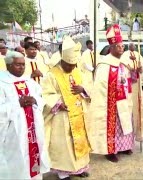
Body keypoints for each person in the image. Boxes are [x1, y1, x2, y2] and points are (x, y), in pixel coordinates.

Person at [41, 36, 91, 180]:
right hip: (61, 116)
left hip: (78, 112)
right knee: (65, 145)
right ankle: (63, 173)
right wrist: (57, 102)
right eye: (68, 65)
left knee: (80, 140)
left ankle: (79, 167)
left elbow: (88, 85)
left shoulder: (76, 70)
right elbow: (45, 93)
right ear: (62, 60)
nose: (71, 68)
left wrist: (83, 89)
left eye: (73, 65)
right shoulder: (52, 74)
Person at [0, 51, 50, 179]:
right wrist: (17, 104)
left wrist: (34, 101)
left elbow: (40, 97)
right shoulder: (2, 82)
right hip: (13, 132)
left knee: (34, 156)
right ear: (8, 65)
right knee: (17, 161)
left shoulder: (29, 80)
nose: (22, 67)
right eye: (18, 65)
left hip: (33, 129)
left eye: (23, 64)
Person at [89, 24, 134, 163]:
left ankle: (124, 146)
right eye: (120, 46)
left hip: (123, 100)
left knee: (125, 123)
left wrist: (134, 73)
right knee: (113, 126)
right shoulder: (104, 65)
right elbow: (100, 87)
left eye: (122, 46)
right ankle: (110, 150)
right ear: (112, 47)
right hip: (111, 103)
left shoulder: (123, 62)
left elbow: (129, 79)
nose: (122, 48)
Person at [121, 42, 143, 142]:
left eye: (134, 45)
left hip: (137, 83)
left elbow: (141, 69)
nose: (133, 46)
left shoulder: (138, 55)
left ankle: (138, 133)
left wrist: (139, 69)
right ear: (128, 46)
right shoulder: (125, 55)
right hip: (129, 82)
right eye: (131, 45)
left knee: (137, 106)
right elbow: (123, 65)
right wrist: (131, 69)